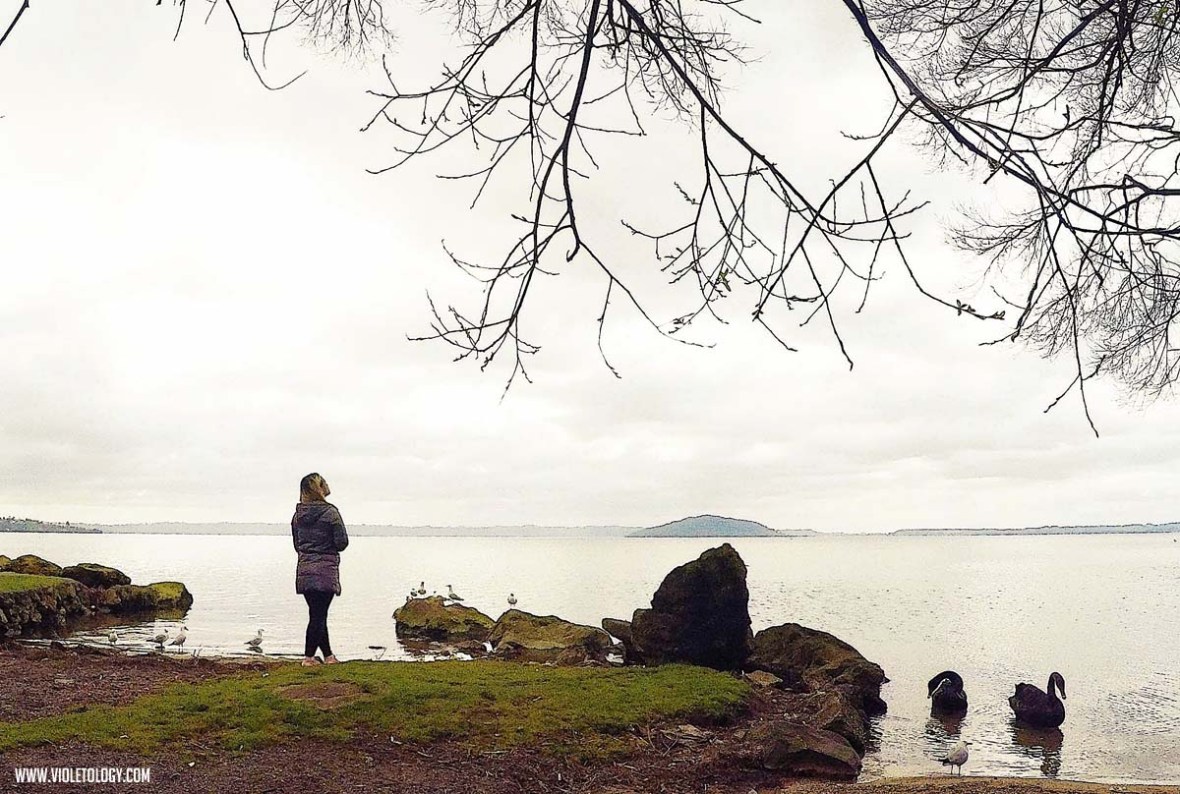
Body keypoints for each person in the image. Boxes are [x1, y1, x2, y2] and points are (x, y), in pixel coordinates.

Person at [291, 472, 349, 666]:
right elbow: (342, 543)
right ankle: (308, 658)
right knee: (318, 615)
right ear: (320, 488)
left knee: (317, 613)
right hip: (325, 569)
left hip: (305, 570)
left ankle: (329, 656)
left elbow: (297, 545)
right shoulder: (331, 513)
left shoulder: (297, 516)